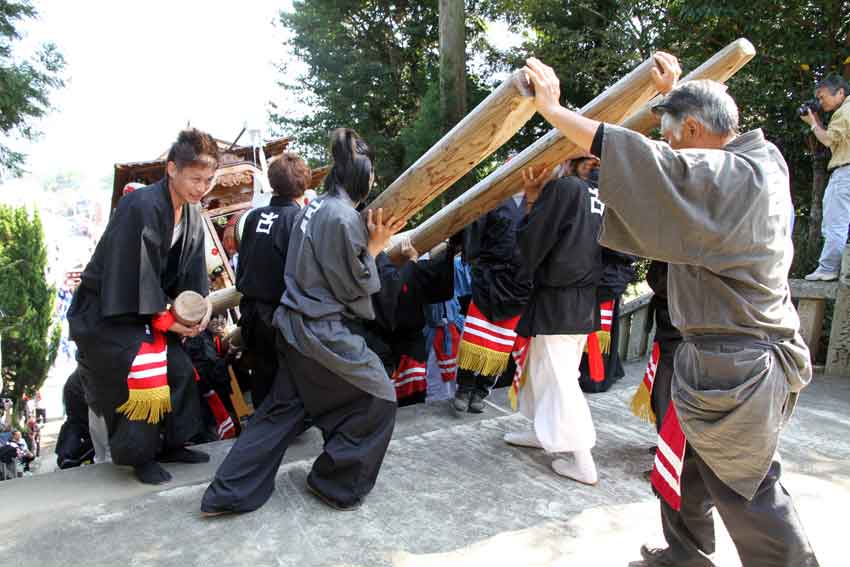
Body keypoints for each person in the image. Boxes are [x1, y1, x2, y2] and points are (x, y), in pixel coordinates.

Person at [521, 52, 819, 566]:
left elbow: (652, 165)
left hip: (738, 361)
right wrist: (671, 94)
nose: (670, 147)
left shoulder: (737, 177)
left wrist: (553, 108)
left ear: (698, 129)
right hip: (714, 356)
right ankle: (683, 555)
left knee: (745, 489)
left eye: (675, 136)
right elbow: (676, 161)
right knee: (681, 467)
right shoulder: (757, 161)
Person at [202, 128, 405, 515]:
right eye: (372, 174)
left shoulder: (314, 205)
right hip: (320, 332)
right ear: (361, 175)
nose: (375, 181)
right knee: (379, 398)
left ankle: (226, 492)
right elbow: (353, 288)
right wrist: (375, 249)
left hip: (291, 326)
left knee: (279, 412)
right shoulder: (343, 217)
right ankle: (335, 483)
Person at [68, 129, 217, 485]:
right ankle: (140, 456)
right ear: (171, 169)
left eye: (208, 180)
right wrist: (164, 319)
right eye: (195, 178)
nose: (202, 188)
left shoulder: (193, 214)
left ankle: (172, 443)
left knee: (180, 368)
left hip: (146, 311)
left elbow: (193, 277)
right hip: (108, 314)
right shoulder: (142, 205)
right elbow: (133, 275)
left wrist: (199, 310)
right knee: (143, 369)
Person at [505, 160, 605, 486]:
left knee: (561, 378)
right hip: (583, 298)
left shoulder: (567, 188)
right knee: (542, 371)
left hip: (559, 299)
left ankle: (583, 459)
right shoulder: (601, 192)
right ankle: (540, 431)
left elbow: (533, 241)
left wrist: (532, 199)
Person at [235, 152, 311, 408]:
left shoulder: (254, 217)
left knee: (262, 382)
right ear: (305, 184)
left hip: (252, 314)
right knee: (288, 383)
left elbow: (242, 266)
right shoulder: (299, 219)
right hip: (282, 315)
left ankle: (261, 431)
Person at [453, 191, 531, 413]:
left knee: (501, 343)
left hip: (519, 285)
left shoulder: (538, 201)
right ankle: (464, 388)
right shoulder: (496, 197)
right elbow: (475, 229)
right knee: (474, 337)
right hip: (489, 278)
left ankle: (481, 391)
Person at [801, 75, 850, 281]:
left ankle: (828, 268)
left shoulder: (844, 112)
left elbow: (828, 139)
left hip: (845, 172)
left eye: (822, 97)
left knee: (835, 223)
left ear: (840, 92)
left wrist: (813, 123)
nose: (820, 103)